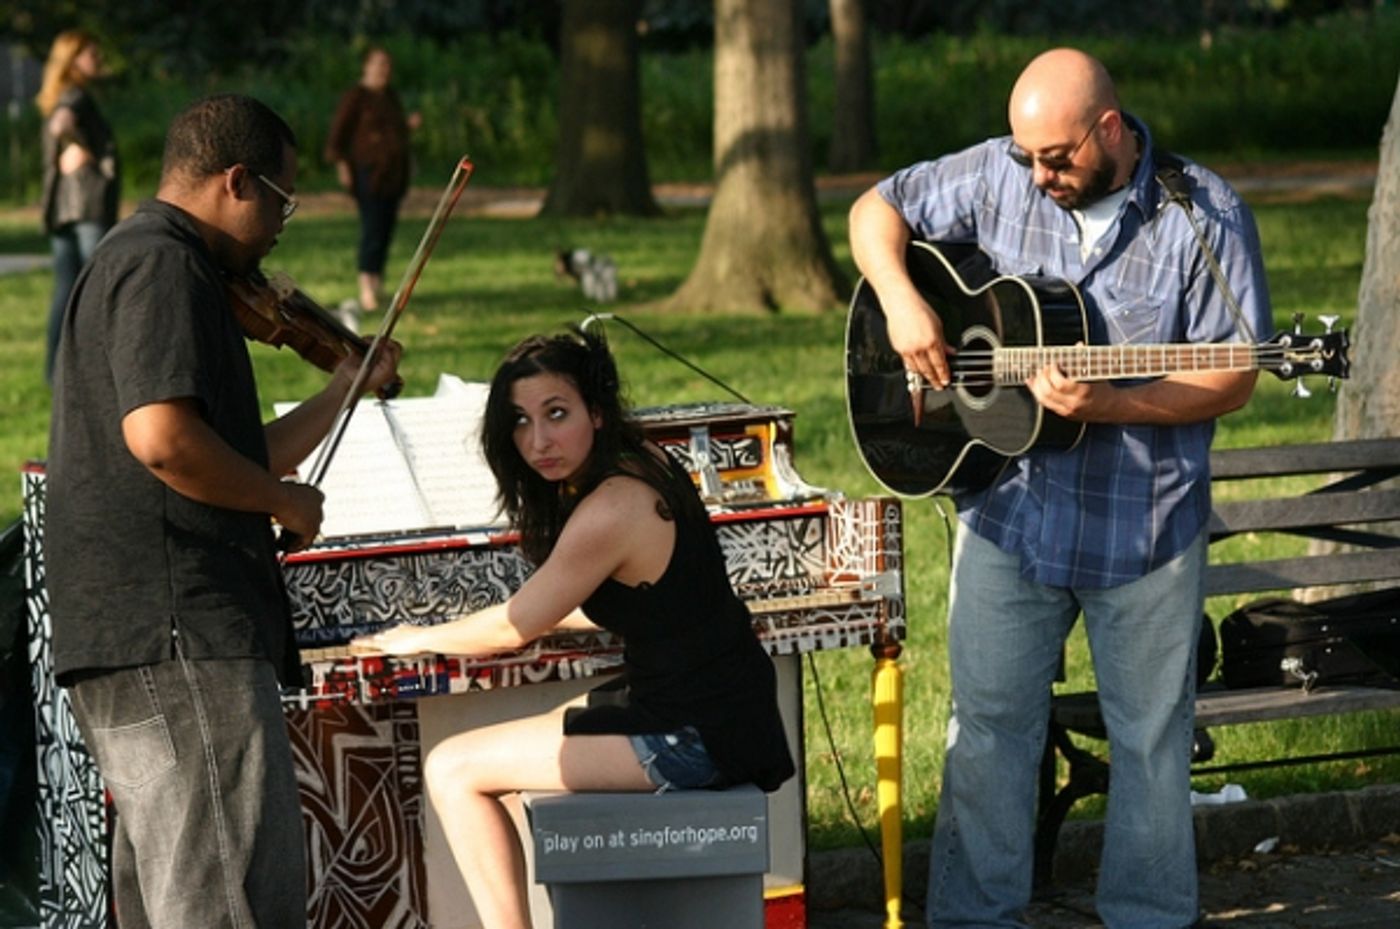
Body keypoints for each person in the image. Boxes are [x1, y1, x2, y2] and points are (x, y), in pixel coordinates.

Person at [848, 48, 1272, 929]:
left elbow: (1233, 375)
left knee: (1150, 745)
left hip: (1143, 525)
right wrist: (901, 300)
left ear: (1110, 129)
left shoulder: (1205, 215)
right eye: (1028, 156)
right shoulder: (1003, 170)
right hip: (1009, 512)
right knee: (988, 730)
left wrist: (1112, 402)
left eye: (1059, 158)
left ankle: (1148, 917)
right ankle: (973, 918)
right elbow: (874, 208)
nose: (1039, 176)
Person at [45, 93, 401, 929]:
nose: (283, 224)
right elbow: (164, 439)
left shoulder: (153, 263)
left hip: (141, 634)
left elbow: (221, 455)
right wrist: (281, 502)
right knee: (224, 902)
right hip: (182, 635)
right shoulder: (163, 266)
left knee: (178, 897)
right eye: (281, 199)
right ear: (236, 181)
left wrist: (339, 392)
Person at [353, 328, 795, 929]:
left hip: (693, 735)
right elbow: (640, 598)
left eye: (556, 414)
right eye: (520, 421)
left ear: (596, 409)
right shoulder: (645, 459)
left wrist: (416, 637)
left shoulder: (610, 507)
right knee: (499, 762)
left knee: (453, 768)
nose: (538, 441)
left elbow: (516, 628)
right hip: (717, 706)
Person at [36, 29, 119, 384]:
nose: (97, 61)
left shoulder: (58, 95)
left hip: (62, 209)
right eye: (91, 55)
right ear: (73, 60)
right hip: (87, 205)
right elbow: (61, 125)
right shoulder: (75, 96)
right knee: (98, 288)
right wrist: (72, 146)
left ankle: (56, 373)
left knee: (66, 290)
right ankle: (94, 372)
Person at [324, 46, 421, 320]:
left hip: (393, 174)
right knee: (372, 227)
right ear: (366, 67)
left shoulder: (390, 96)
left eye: (387, 66)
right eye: (378, 65)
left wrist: (408, 128)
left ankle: (377, 284)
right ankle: (365, 285)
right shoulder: (355, 97)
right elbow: (338, 137)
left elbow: (396, 132)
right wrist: (343, 167)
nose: (383, 71)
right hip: (368, 173)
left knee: (386, 227)